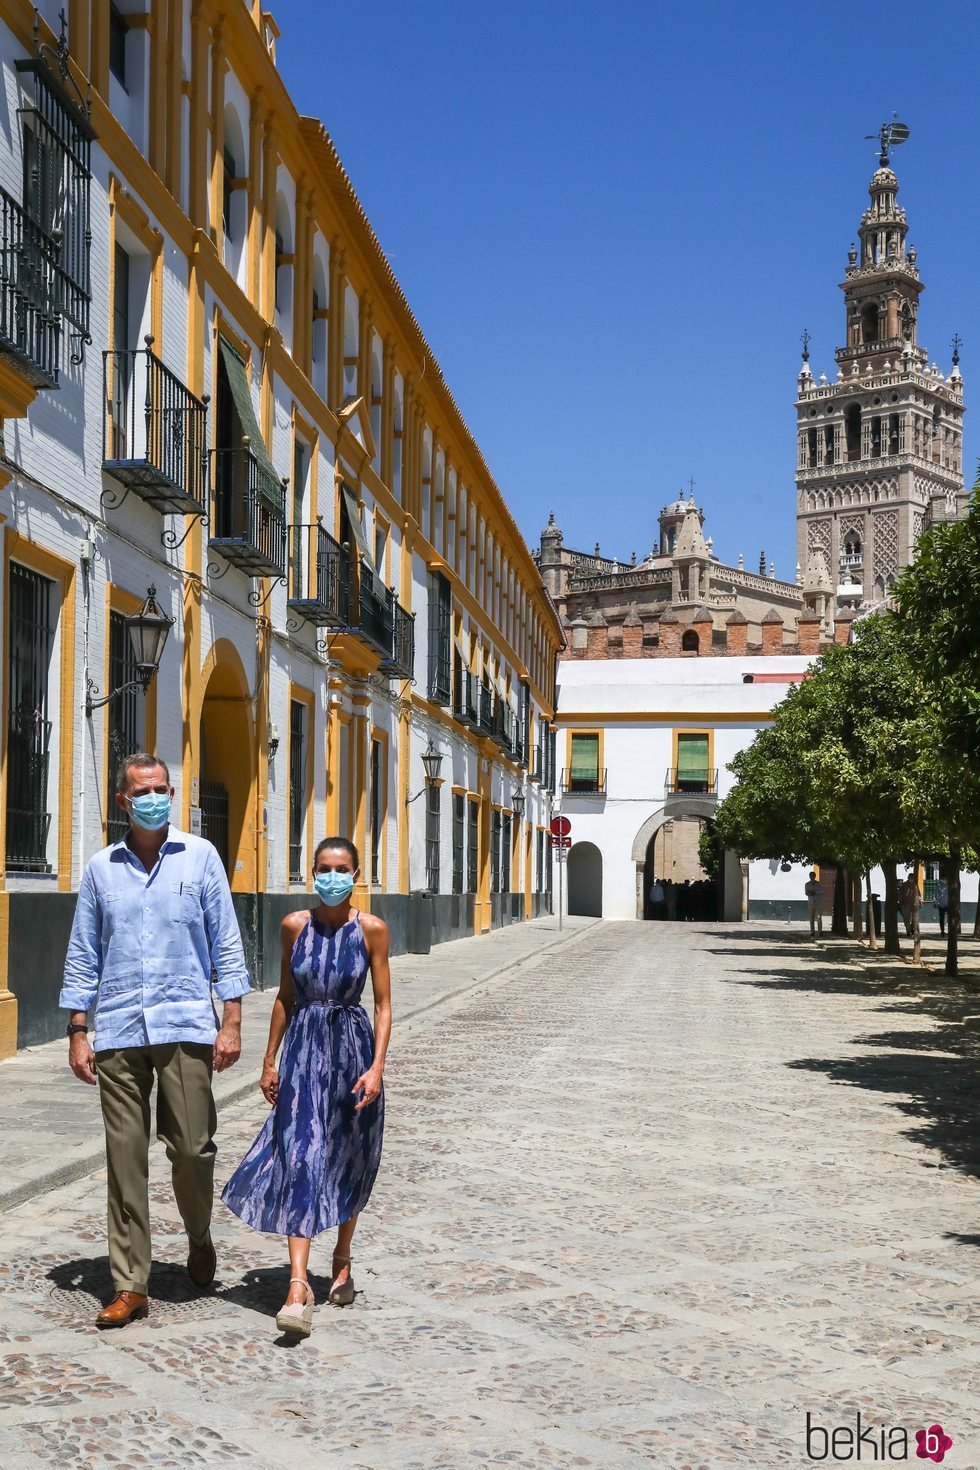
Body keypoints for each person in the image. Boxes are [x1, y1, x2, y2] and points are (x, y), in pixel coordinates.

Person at [60, 753, 249, 1329]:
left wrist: (232, 1019)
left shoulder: (201, 858)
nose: (154, 798)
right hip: (118, 1027)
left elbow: (227, 941)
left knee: (192, 1148)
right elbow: (83, 952)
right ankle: (129, 1283)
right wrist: (77, 1029)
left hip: (187, 1024)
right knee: (124, 1158)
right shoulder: (100, 869)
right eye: (143, 790)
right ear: (123, 800)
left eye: (162, 789)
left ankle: (198, 1235)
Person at [222, 838, 390, 1339]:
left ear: (356, 874)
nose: (331, 876)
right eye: (323, 868)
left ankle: (341, 1258)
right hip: (301, 1051)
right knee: (301, 1154)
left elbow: (382, 1004)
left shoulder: (372, 930)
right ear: (310, 872)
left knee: (347, 1156)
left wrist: (377, 1067)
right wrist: (269, 1059)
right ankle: (298, 1286)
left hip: (352, 1053)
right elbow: (284, 996)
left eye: (341, 869)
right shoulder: (294, 926)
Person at [804, 871, 822, 936]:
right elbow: (807, 893)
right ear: (809, 876)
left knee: (819, 917)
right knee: (811, 918)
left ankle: (820, 931)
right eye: (811, 876)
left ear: (815, 876)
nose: (812, 877)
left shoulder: (819, 884)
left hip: (818, 903)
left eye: (813, 875)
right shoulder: (807, 884)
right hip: (811, 903)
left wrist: (811, 892)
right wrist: (813, 892)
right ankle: (812, 932)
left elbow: (819, 892)